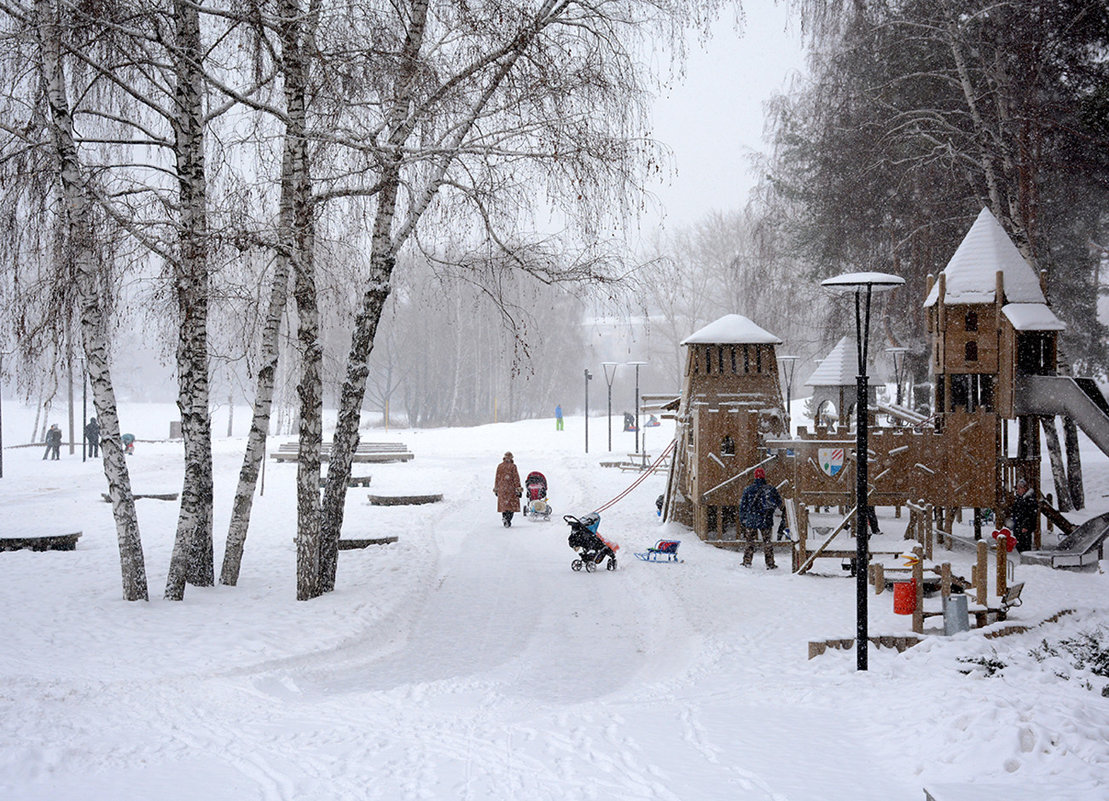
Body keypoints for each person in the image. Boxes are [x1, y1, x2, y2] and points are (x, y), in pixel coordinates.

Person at [739, 467, 784, 569]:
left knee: (749, 542)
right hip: (766, 519)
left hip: (752, 519)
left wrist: (743, 519)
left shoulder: (748, 489)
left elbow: (743, 506)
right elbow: (779, 503)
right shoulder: (770, 489)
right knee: (767, 542)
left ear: (755, 477)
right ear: (764, 476)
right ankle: (770, 563)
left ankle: (747, 561)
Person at [494, 451, 522, 527]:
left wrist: (496, 488)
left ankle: (505, 518)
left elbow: (497, 478)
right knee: (511, 506)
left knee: (504, 506)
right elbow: (516, 478)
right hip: (511, 489)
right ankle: (508, 520)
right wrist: (518, 488)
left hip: (502, 488)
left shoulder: (500, 466)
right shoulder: (513, 466)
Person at [1009, 478, 1037, 552]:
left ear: (1024, 488)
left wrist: (1026, 526)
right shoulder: (1018, 498)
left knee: (1025, 545)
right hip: (1018, 525)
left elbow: (1031, 514)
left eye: (1019, 488)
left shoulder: (1029, 499)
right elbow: (1015, 511)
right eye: (1017, 488)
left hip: (1025, 526)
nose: (1018, 490)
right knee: (1019, 544)